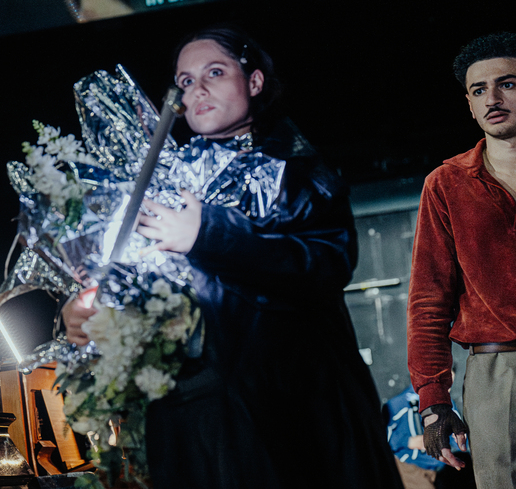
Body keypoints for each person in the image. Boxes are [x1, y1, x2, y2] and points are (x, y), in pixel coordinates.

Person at [64, 25, 402, 488]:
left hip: (292, 410)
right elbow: (138, 284)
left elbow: (325, 264)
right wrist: (92, 313)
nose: (196, 89)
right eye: (185, 81)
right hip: (197, 415)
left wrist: (209, 235)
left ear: (255, 81)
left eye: (215, 72)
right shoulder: (164, 178)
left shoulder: (298, 170)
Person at [407, 32, 516, 488]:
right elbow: (429, 301)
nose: (492, 98)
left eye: (507, 83)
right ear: (469, 105)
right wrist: (434, 403)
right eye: (478, 90)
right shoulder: (447, 184)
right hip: (498, 372)